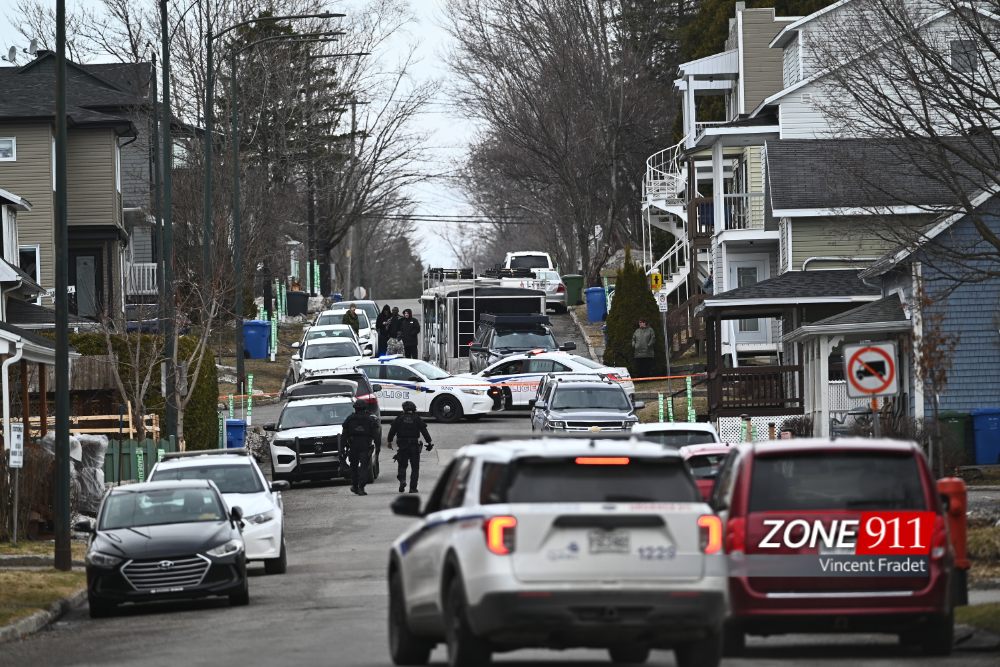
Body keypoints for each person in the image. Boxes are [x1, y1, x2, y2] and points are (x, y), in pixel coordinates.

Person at [387, 401, 433, 493]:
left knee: (402, 465)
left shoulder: (399, 418)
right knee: (415, 467)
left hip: (402, 445)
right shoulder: (417, 418)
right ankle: (413, 488)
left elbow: (392, 430)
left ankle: (402, 480)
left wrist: (389, 441)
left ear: (404, 408)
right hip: (414, 445)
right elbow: (424, 431)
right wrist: (429, 442)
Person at [341, 398, 381, 496]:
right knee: (364, 467)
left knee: (353, 467)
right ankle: (361, 487)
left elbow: (344, 435)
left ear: (355, 408)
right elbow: (376, 435)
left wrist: (342, 448)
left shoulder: (350, 419)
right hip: (365, 446)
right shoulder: (370, 419)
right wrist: (378, 448)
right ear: (365, 408)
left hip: (353, 446)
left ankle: (355, 486)